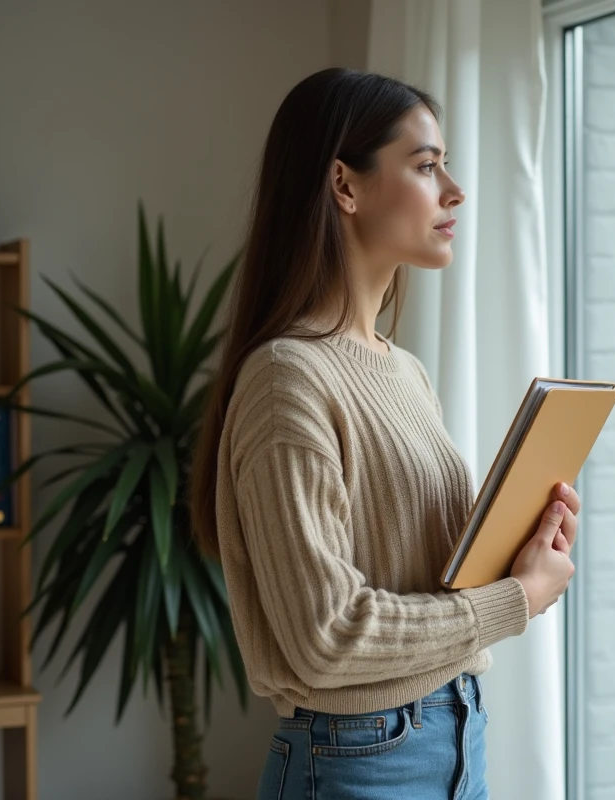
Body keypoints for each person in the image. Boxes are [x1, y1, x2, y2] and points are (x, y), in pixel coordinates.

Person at [189, 68, 579, 800]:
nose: (454, 191)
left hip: (456, 731)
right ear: (345, 185)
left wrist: (522, 545)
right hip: (360, 758)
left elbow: (416, 571)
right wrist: (515, 600)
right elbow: (325, 635)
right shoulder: (287, 379)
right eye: (428, 166)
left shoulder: (403, 370)